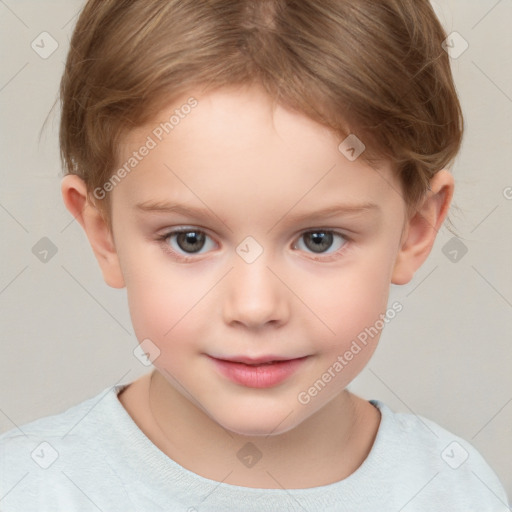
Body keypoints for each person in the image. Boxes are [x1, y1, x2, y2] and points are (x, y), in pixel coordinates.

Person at [0, 0, 509, 510]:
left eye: (319, 240)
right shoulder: (30, 490)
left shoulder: (454, 488)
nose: (254, 306)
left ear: (414, 230)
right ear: (103, 234)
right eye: (190, 240)